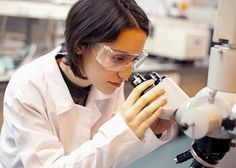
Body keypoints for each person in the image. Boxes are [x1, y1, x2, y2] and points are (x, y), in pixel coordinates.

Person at [0, 0, 174, 167]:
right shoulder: (28, 87)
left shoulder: (110, 81)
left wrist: (151, 131)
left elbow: (111, 157)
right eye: (119, 58)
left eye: (133, 59)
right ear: (80, 45)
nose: (126, 74)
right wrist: (122, 130)